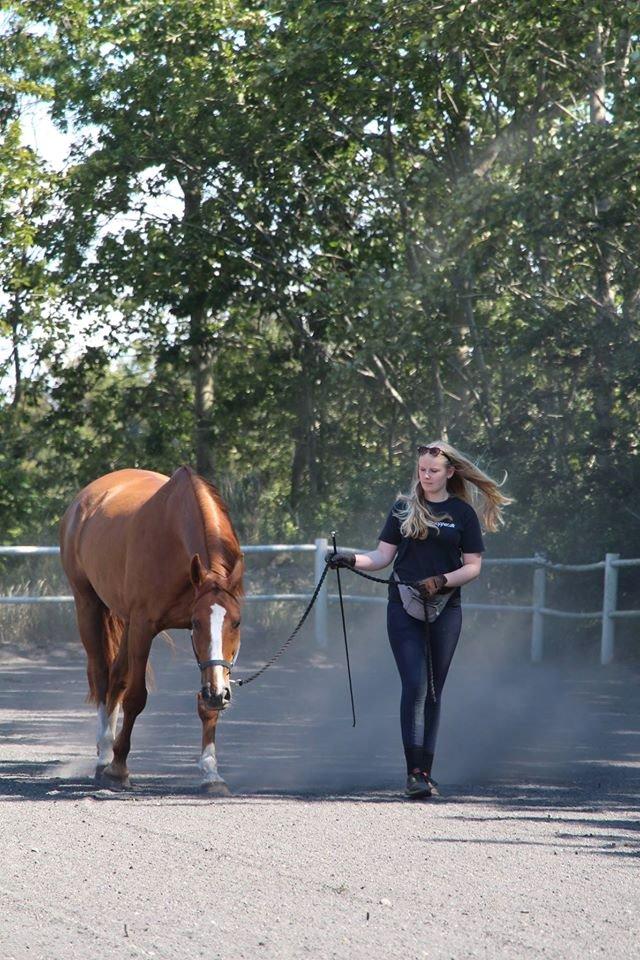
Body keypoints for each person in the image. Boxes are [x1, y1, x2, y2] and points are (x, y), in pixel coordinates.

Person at [326, 441, 512, 798]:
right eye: (422, 470)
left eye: (433, 470)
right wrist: (349, 559)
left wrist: (441, 581)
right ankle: (414, 773)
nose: (426, 476)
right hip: (404, 605)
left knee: (433, 691)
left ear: (449, 472)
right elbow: (382, 556)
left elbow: (473, 566)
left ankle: (426, 771)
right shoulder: (403, 508)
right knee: (414, 684)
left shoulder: (462, 514)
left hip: (445, 608)